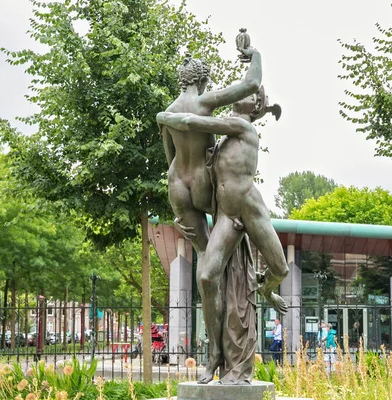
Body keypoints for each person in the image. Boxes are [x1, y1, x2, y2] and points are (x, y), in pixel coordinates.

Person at [159, 47, 263, 384]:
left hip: (178, 186)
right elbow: (252, 83)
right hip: (205, 188)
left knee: (206, 275)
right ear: (202, 80)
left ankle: (213, 357)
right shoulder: (204, 103)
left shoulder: (169, 110)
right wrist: (253, 53)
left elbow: (170, 154)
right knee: (211, 275)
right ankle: (222, 354)